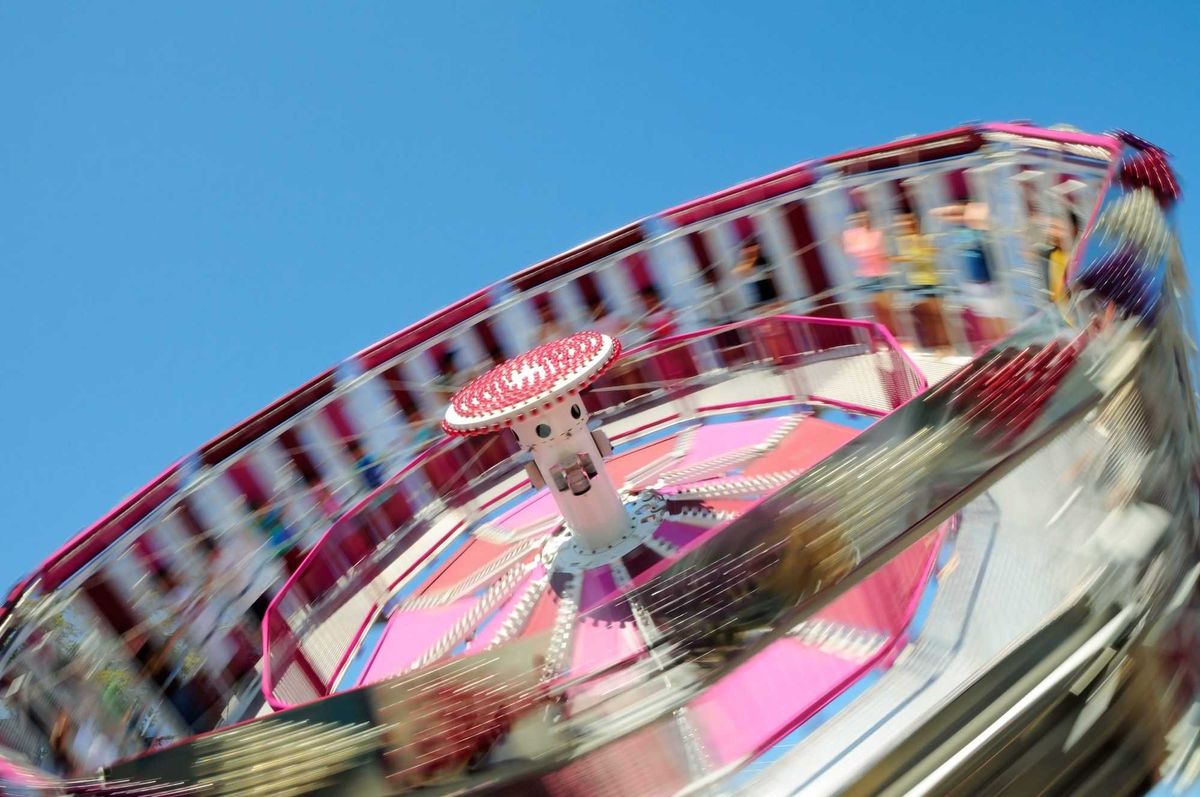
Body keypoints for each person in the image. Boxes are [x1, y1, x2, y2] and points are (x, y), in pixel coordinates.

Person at [893, 213, 950, 351]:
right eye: (900, 222)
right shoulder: (900, 242)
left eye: (907, 221)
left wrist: (906, 257)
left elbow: (928, 256)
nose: (903, 225)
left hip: (931, 283)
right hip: (915, 285)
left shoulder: (924, 239)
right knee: (925, 319)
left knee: (938, 318)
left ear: (914, 222)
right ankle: (934, 346)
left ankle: (944, 346)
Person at [842, 211, 897, 335]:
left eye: (864, 217)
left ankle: (892, 334)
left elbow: (885, 252)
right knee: (875, 309)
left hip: (881, 274)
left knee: (887, 307)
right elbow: (852, 251)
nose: (862, 221)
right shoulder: (852, 236)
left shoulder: (877, 233)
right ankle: (884, 335)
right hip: (866, 275)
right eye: (857, 219)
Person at [733, 236, 781, 311]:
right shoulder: (745, 263)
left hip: (772, 298)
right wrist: (749, 257)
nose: (751, 250)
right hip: (758, 302)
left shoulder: (763, 260)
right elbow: (739, 273)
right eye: (748, 249)